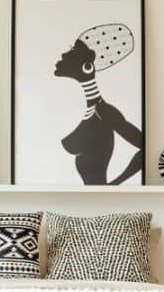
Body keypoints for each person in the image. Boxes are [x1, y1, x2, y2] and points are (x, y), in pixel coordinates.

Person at [54, 23, 142, 185]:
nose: (63, 54)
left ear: (87, 67)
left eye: (73, 50)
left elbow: (144, 148)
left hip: (98, 197)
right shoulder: (87, 110)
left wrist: (114, 185)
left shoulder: (104, 111)